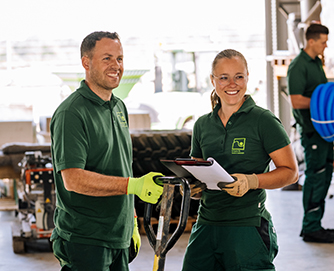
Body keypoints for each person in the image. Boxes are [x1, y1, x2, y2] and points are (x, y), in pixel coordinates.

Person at [50, 31, 165, 270]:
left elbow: (120, 165)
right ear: (86, 62)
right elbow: (73, 180)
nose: (116, 66)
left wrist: (131, 219)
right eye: (107, 59)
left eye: (120, 59)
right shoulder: (72, 113)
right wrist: (132, 186)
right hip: (86, 239)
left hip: (119, 235)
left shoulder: (119, 107)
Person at [181, 49, 298, 271]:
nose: (232, 84)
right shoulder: (203, 125)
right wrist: (192, 188)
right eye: (223, 77)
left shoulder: (263, 121)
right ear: (213, 80)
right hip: (206, 223)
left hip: (246, 225)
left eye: (239, 76)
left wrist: (252, 181)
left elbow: (291, 172)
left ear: (247, 77)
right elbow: (196, 169)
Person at [286, 23, 334, 243]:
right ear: (311, 41)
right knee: (316, 176)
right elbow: (296, 100)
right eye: (323, 42)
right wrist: (324, 102)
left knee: (324, 175)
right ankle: (310, 227)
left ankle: (315, 223)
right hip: (311, 131)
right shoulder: (299, 66)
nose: (325, 46)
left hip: (324, 130)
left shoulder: (317, 63)